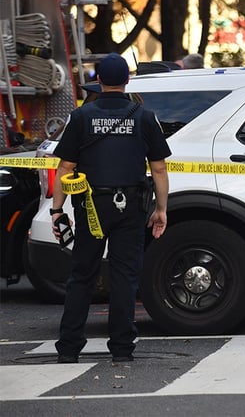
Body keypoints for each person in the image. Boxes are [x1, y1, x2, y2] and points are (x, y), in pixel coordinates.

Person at [51, 53, 171, 364]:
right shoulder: (144, 116)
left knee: (82, 275)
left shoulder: (81, 116)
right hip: (130, 206)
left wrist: (56, 210)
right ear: (128, 81)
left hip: (90, 205)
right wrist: (161, 209)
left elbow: (65, 166)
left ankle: (68, 348)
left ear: (99, 81)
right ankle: (121, 348)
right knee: (124, 276)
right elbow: (158, 169)